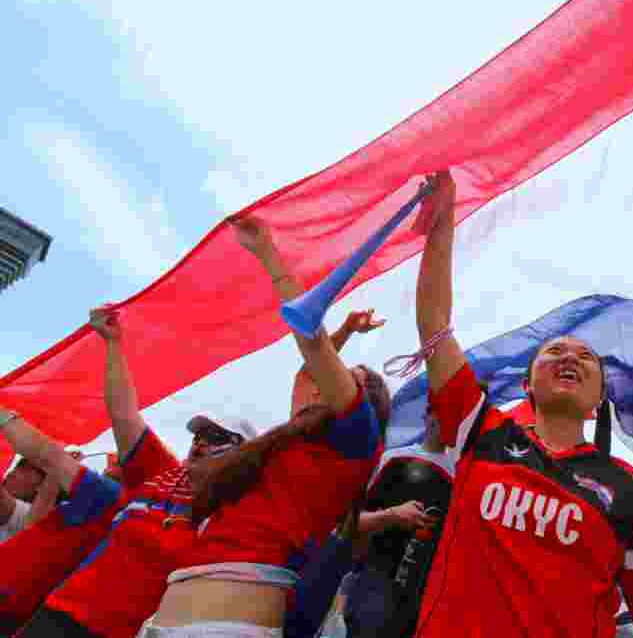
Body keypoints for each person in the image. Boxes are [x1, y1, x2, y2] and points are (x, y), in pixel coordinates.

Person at [408, 169, 633, 638]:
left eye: (586, 356)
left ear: (597, 401)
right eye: (554, 351)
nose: (570, 355)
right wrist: (444, 222)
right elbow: (434, 325)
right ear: (528, 386)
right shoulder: (481, 432)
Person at [140, 217, 388, 637]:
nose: (334, 376)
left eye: (350, 378)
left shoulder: (355, 440)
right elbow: (307, 373)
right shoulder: (295, 435)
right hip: (164, 620)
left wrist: (269, 257)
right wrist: (345, 330)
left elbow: (312, 344)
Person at [1, 308, 255, 638]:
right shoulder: (162, 473)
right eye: (198, 435)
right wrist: (112, 344)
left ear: (243, 454)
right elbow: (121, 414)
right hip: (59, 614)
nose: (201, 443)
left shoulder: (235, 515)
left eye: (216, 438)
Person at [340, 406, 454, 637]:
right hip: (375, 587)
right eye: (438, 410)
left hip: (426, 602)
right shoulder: (394, 459)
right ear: (425, 415)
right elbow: (347, 524)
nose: (443, 420)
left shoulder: (463, 475)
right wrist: (392, 515)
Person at [0, 457, 44, 542]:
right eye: (16, 467)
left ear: (42, 486)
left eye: (24, 470)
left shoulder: (35, 517)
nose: (11, 473)